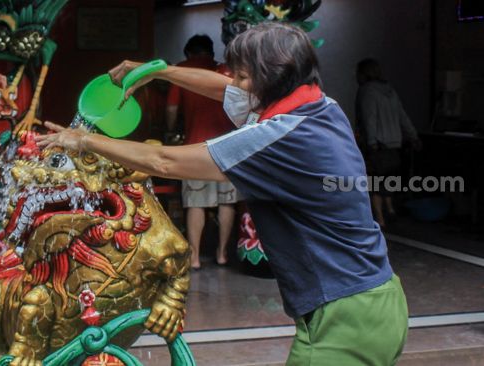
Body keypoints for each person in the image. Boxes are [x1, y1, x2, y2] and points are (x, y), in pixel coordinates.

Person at [37, 23, 408, 365]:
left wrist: (83, 139)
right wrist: (158, 71)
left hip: (343, 319)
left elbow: (163, 161)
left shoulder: (277, 137)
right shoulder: (322, 107)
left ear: (270, 80)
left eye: (243, 76)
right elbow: (226, 90)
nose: (235, 83)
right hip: (381, 298)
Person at [166, 34, 238, 269]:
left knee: (196, 201)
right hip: (229, 146)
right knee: (227, 202)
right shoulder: (226, 71)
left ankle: (195, 258)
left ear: (189, 52)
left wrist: (170, 129)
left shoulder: (181, 71)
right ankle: (222, 254)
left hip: (196, 145)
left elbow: (171, 109)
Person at [356, 58, 421, 228]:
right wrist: (413, 136)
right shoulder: (390, 91)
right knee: (388, 179)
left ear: (363, 73)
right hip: (394, 144)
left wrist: (370, 142)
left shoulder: (367, 91)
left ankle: (380, 219)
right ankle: (390, 210)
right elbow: (402, 115)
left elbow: (369, 117)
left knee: (375, 183)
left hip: (378, 144)